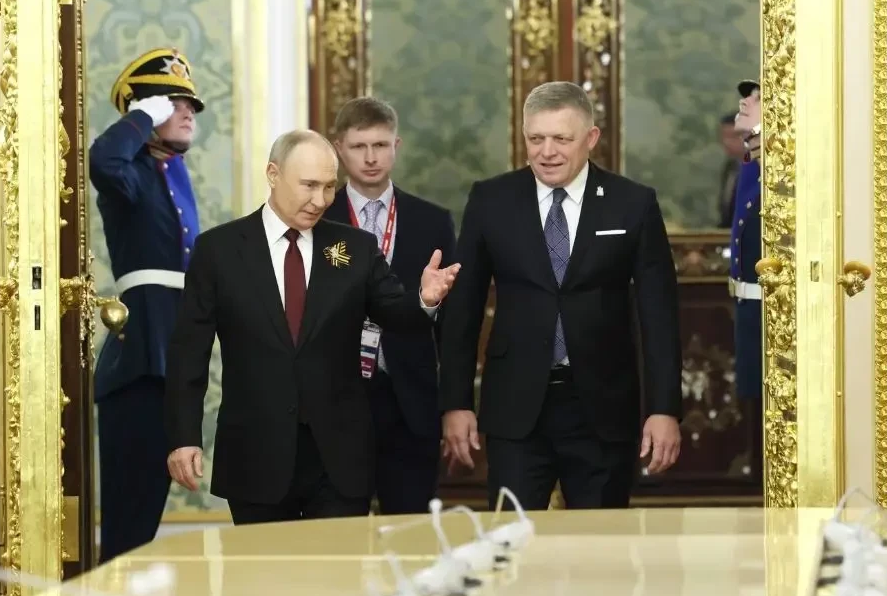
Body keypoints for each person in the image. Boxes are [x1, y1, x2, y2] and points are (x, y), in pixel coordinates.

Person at [163, 130, 461, 524]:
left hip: (339, 457)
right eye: (308, 185)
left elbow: (395, 315)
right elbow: (189, 351)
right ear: (273, 174)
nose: (320, 200)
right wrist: (184, 437)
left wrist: (424, 299)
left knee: (337, 563)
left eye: (328, 187)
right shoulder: (219, 250)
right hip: (256, 452)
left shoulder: (355, 247)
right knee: (265, 564)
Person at [438, 81, 683, 510]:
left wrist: (664, 409)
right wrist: (456, 404)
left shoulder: (632, 203)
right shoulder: (491, 200)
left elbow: (659, 316)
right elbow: (464, 310)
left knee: (601, 543)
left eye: (561, 139)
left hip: (603, 409)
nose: (547, 152)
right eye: (536, 139)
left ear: (591, 138)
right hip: (515, 408)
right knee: (511, 538)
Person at [89, 47, 204, 563]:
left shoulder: (174, 174)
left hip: (173, 352)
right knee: (128, 518)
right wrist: (140, 118)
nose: (188, 112)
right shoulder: (130, 171)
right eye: (173, 103)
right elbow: (104, 160)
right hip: (140, 357)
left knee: (148, 510)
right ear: (146, 110)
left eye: (191, 104)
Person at [323, 97, 457, 514]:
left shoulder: (432, 221)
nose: (370, 158)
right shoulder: (318, 218)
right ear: (339, 148)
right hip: (336, 402)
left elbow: (452, 325)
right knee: (339, 529)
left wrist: (454, 405)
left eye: (380, 145)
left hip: (410, 402)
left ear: (396, 146)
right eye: (359, 146)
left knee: (412, 530)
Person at [730, 79, 764, 475]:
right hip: (750, 312)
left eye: (757, 98)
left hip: (771, 318)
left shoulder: (780, 168)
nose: (745, 101)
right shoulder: (754, 164)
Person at [716, 112, 745, 228]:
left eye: (734, 136)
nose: (726, 142)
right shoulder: (730, 167)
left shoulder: (762, 170)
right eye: (723, 136)